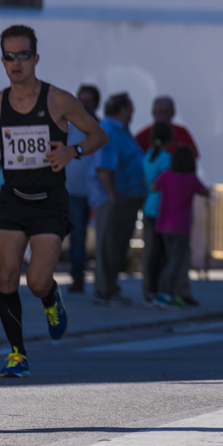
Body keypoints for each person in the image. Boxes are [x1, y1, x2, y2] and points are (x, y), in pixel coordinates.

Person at [0, 25, 108, 378]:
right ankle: (17, 354)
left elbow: (98, 134)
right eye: (9, 56)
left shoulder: (57, 99)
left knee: (38, 281)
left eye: (23, 55)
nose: (16, 63)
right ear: (2, 60)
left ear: (36, 58)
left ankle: (50, 299)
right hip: (12, 200)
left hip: (49, 203)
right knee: (7, 276)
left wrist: (72, 151)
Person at [89, 93, 147, 306]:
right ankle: (104, 291)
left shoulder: (121, 130)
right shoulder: (109, 131)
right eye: (130, 108)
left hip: (126, 197)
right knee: (109, 247)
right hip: (115, 198)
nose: (133, 112)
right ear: (122, 109)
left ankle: (111, 288)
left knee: (118, 247)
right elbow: (104, 167)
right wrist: (113, 196)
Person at [151, 146, 209, 307]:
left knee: (169, 261)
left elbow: (153, 187)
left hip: (163, 224)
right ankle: (166, 294)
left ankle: (162, 292)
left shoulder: (166, 176)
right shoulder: (191, 179)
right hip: (181, 227)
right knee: (175, 263)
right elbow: (205, 192)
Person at [65, 84, 100, 292]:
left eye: (88, 102)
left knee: (102, 240)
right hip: (74, 192)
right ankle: (77, 278)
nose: (84, 106)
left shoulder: (102, 128)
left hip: (98, 192)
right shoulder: (69, 127)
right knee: (76, 238)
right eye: (81, 102)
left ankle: (104, 281)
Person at [141, 122, 173, 307]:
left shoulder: (148, 157)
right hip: (162, 208)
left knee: (152, 251)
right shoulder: (166, 159)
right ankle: (158, 290)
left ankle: (150, 289)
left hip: (149, 206)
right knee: (161, 253)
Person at [134, 96, 199, 158]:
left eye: (166, 112)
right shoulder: (142, 137)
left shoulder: (182, 132)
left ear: (173, 113)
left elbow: (193, 157)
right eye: (160, 112)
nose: (163, 117)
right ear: (153, 113)